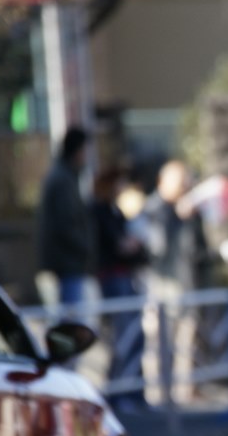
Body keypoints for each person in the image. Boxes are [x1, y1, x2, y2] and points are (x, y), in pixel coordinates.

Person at [141, 160, 211, 402]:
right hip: (162, 282)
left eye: (186, 183)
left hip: (187, 282)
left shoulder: (190, 211)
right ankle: (158, 393)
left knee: (187, 341)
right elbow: (155, 247)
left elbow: (198, 249)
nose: (184, 187)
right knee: (159, 341)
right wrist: (175, 217)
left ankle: (185, 390)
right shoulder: (154, 208)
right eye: (179, 182)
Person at [90, 165, 148, 410]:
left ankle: (134, 392)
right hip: (112, 277)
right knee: (122, 336)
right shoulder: (99, 211)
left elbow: (131, 245)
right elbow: (117, 245)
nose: (123, 188)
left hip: (126, 276)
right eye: (119, 182)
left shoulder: (116, 212)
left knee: (135, 335)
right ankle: (119, 393)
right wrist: (128, 245)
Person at [37, 125, 93, 306]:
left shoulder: (65, 176)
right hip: (67, 262)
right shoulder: (62, 179)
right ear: (77, 151)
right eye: (85, 150)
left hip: (68, 261)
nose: (87, 156)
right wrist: (85, 247)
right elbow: (66, 223)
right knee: (70, 318)